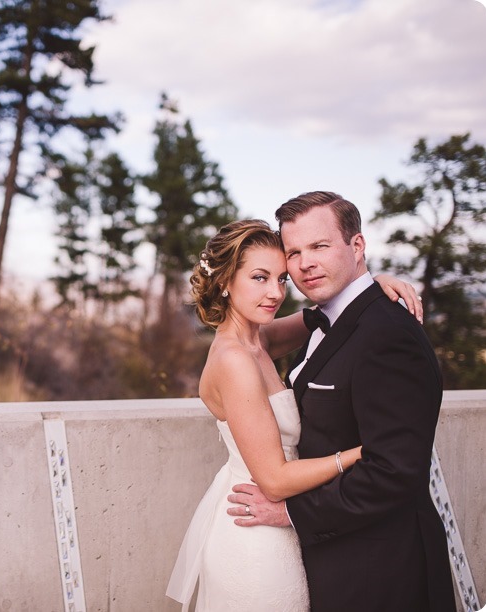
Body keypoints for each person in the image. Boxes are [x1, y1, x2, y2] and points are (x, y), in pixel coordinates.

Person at [165, 219, 422, 611]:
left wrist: (372, 284)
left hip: (280, 526)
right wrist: (358, 454)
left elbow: (322, 316)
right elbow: (275, 480)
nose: (275, 293)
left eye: (282, 279)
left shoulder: (257, 337)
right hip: (257, 532)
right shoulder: (235, 359)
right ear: (224, 282)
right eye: (260, 278)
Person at [226, 192, 455, 612]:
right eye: (293, 252)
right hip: (334, 563)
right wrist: (370, 283)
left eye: (319, 246)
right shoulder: (324, 318)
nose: (304, 263)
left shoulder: (388, 335)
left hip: (381, 575)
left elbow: (393, 472)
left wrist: (290, 514)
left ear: (357, 246)